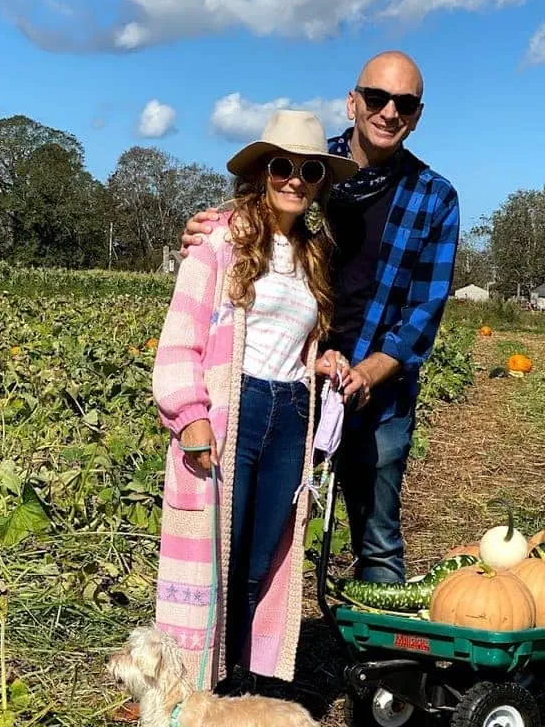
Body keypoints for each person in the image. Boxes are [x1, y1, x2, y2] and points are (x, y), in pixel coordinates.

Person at [183, 51, 459, 585]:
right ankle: (243, 649)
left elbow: (425, 309)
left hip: (379, 389)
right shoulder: (307, 165)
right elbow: (250, 212)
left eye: (404, 103)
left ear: (417, 114)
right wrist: (207, 228)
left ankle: (383, 660)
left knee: (377, 535)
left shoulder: (434, 196)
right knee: (260, 521)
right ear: (353, 102)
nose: (388, 112)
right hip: (288, 376)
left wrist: (368, 373)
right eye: (376, 98)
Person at [152, 110, 357, 688]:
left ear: (320, 182)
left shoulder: (314, 255)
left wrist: (320, 360)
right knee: (220, 556)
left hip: (290, 412)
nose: (295, 179)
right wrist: (190, 417)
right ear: (262, 172)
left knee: (262, 559)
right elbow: (180, 339)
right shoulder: (220, 240)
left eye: (309, 169)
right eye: (282, 166)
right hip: (230, 410)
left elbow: (286, 340)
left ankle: (236, 685)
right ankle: (194, 688)